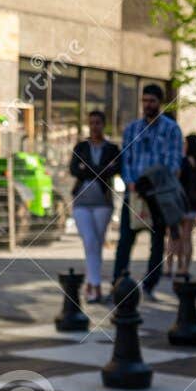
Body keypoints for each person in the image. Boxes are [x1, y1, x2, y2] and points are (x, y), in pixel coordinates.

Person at [116, 84, 184, 297]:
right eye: (144, 101)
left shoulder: (171, 129)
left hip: (158, 195)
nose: (147, 105)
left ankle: (149, 286)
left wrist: (155, 183)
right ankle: (119, 283)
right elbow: (125, 159)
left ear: (160, 103)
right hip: (134, 193)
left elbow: (174, 163)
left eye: (152, 101)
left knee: (157, 243)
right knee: (126, 239)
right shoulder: (131, 129)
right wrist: (130, 182)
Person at [69, 109, 121, 302]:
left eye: (98, 123)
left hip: (103, 203)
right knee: (90, 241)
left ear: (103, 124)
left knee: (97, 244)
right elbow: (74, 169)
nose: (94, 126)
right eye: (91, 123)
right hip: (81, 202)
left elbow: (116, 168)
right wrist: (100, 170)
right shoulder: (81, 147)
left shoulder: (112, 148)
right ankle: (95, 285)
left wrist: (89, 169)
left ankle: (93, 284)